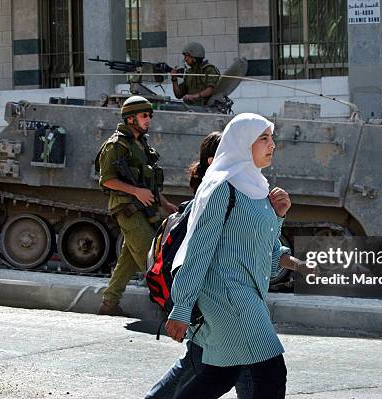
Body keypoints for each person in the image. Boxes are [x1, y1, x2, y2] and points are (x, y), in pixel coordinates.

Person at [164, 113, 298, 399]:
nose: (272, 144)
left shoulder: (258, 188)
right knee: (272, 372)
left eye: (271, 138)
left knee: (221, 374)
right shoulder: (221, 187)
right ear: (242, 143)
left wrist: (280, 216)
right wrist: (182, 307)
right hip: (226, 293)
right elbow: (197, 249)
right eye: (263, 138)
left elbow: (263, 251)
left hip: (248, 292)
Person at [96, 95, 178, 316]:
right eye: (144, 115)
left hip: (143, 207)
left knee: (129, 258)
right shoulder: (116, 145)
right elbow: (106, 179)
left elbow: (147, 182)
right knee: (150, 258)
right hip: (127, 208)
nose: (148, 119)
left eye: (149, 115)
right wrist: (136, 192)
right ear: (130, 118)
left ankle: (109, 303)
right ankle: (169, 310)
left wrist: (165, 203)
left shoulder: (140, 144)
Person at [171, 42, 220, 106]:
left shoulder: (209, 70)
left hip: (207, 108)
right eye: (185, 56)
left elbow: (211, 89)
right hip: (191, 109)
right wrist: (174, 79)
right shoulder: (189, 73)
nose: (185, 59)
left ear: (195, 56)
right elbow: (178, 95)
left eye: (187, 56)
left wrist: (194, 96)